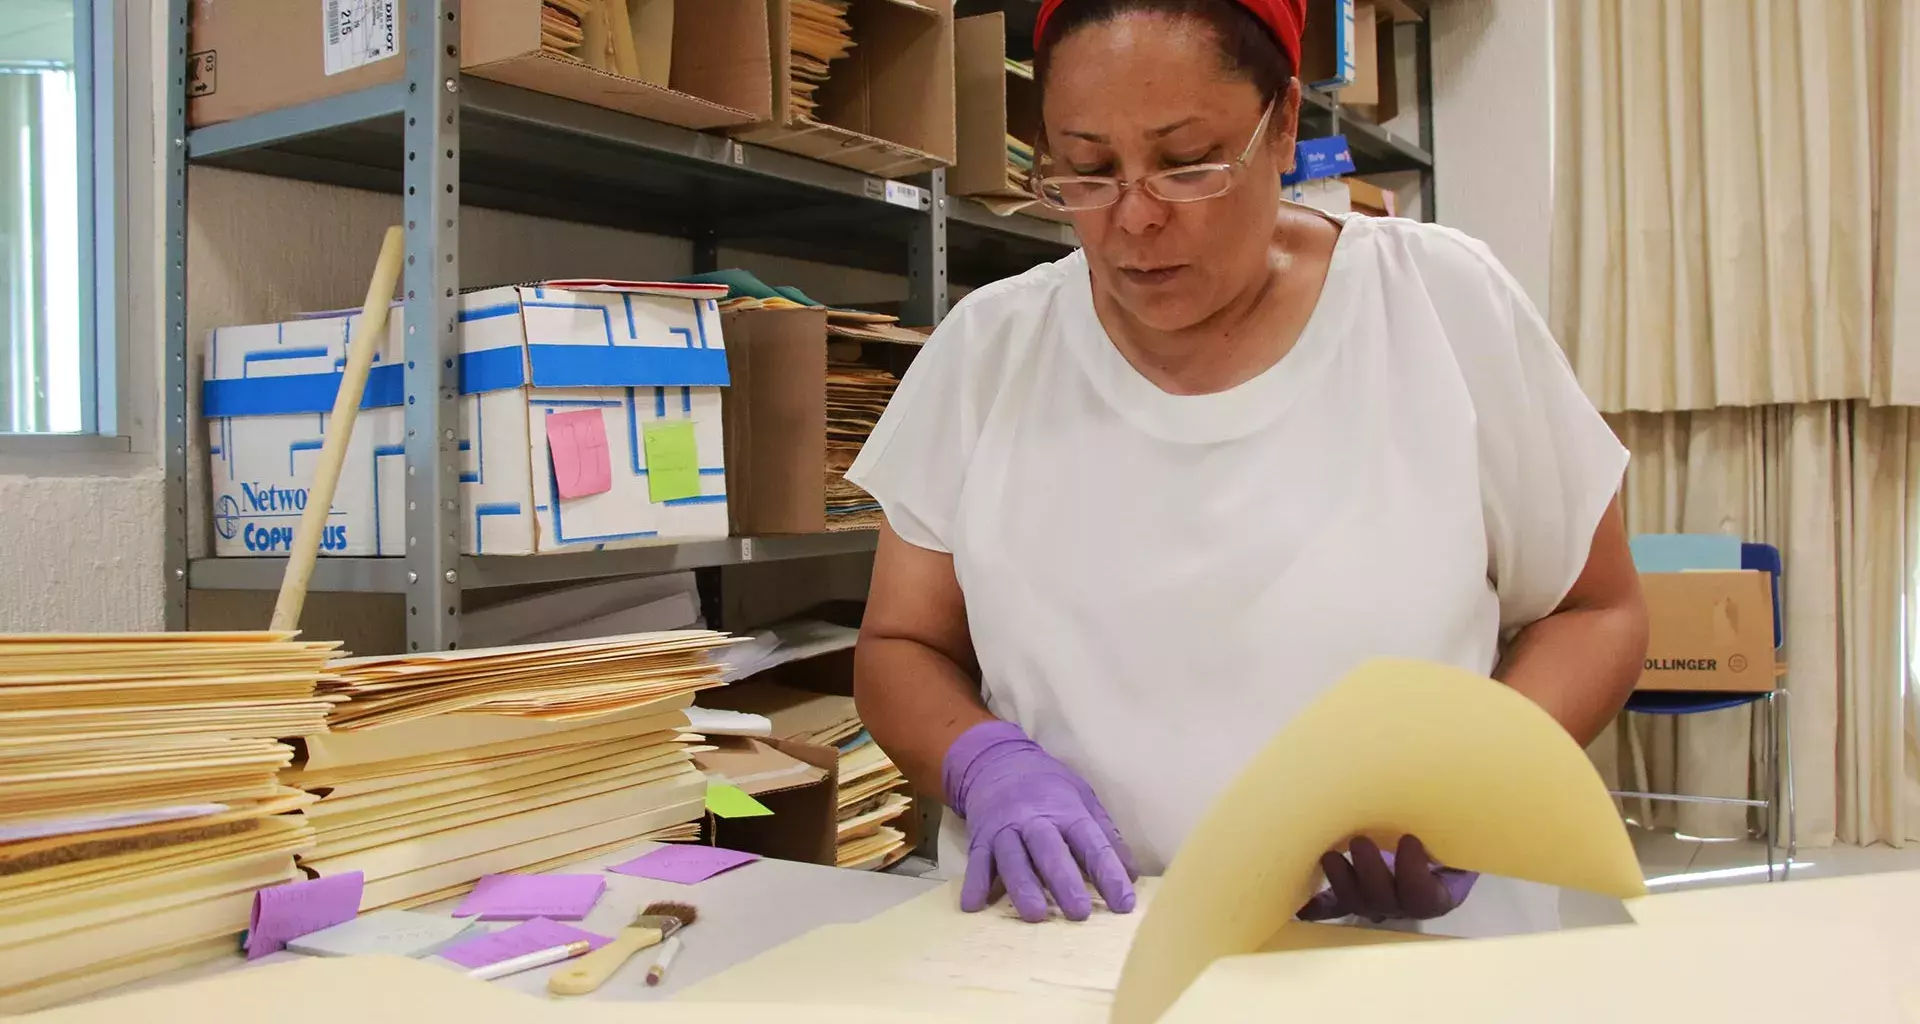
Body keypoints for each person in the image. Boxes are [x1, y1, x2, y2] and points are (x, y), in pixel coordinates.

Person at [846, 0, 1648, 933]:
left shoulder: (1437, 306)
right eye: (1091, 170)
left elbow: (1597, 611)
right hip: (1076, 952)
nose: (1134, 220)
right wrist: (984, 764)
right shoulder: (990, 352)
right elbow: (902, 647)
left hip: (1400, 959)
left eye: (1187, 163)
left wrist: (1475, 787)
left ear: (1287, 124)